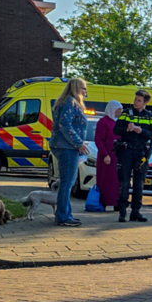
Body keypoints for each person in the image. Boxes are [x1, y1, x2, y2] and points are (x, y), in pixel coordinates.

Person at [114, 89, 152, 223]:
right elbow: (116, 130)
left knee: (139, 183)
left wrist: (141, 131)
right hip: (126, 151)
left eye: (139, 100)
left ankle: (136, 212)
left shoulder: (150, 116)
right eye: (135, 99)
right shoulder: (126, 113)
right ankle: (122, 213)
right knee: (124, 182)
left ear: (145, 102)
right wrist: (127, 129)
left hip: (141, 153)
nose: (135, 102)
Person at [50, 78, 89, 227]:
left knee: (67, 182)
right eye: (83, 88)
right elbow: (64, 124)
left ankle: (65, 214)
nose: (85, 92)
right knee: (67, 183)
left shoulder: (66, 102)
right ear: (75, 88)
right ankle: (63, 216)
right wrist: (78, 143)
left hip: (66, 146)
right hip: (67, 147)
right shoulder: (70, 102)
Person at [93, 100, 122, 210]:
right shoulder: (103, 122)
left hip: (117, 156)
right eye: (118, 109)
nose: (120, 112)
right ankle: (104, 202)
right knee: (106, 180)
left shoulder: (118, 122)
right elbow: (99, 139)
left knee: (116, 181)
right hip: (107, 157)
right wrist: (105, 154)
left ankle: (116, 202)